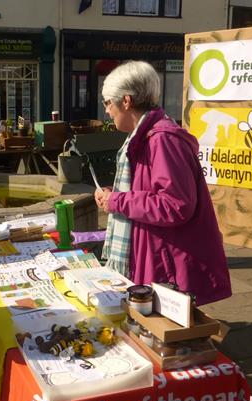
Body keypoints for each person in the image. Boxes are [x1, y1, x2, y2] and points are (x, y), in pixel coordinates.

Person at [94, 61, 231, 306]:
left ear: (126, 101)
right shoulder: (145, 137)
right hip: (157, 254)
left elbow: (175, 204)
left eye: (107, 103)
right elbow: (148, 191)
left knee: (167, 337)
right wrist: (116, 194)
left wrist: (119, 201)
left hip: (169, 264)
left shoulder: (162, 140)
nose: (106, 110)